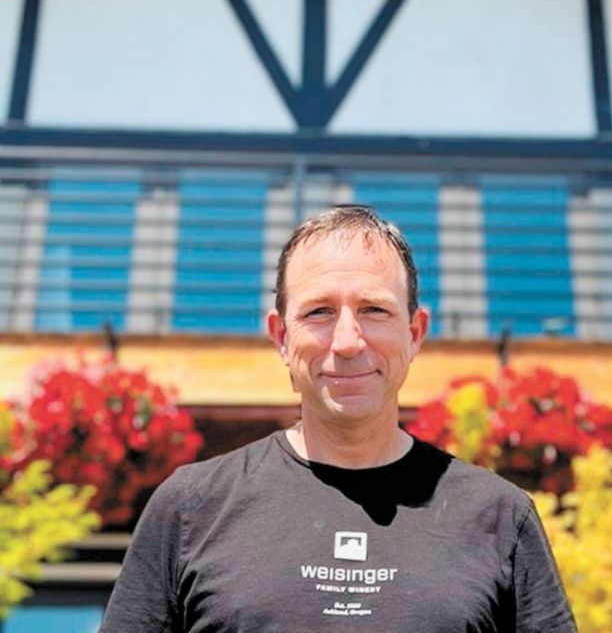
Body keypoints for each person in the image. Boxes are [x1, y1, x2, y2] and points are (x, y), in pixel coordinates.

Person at [99, 205, 576, 632]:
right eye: (320, 311)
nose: (347, 341)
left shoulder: (498, 516)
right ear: (281, 336)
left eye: (373, 310)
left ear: (415, 333)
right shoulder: (190, 507)